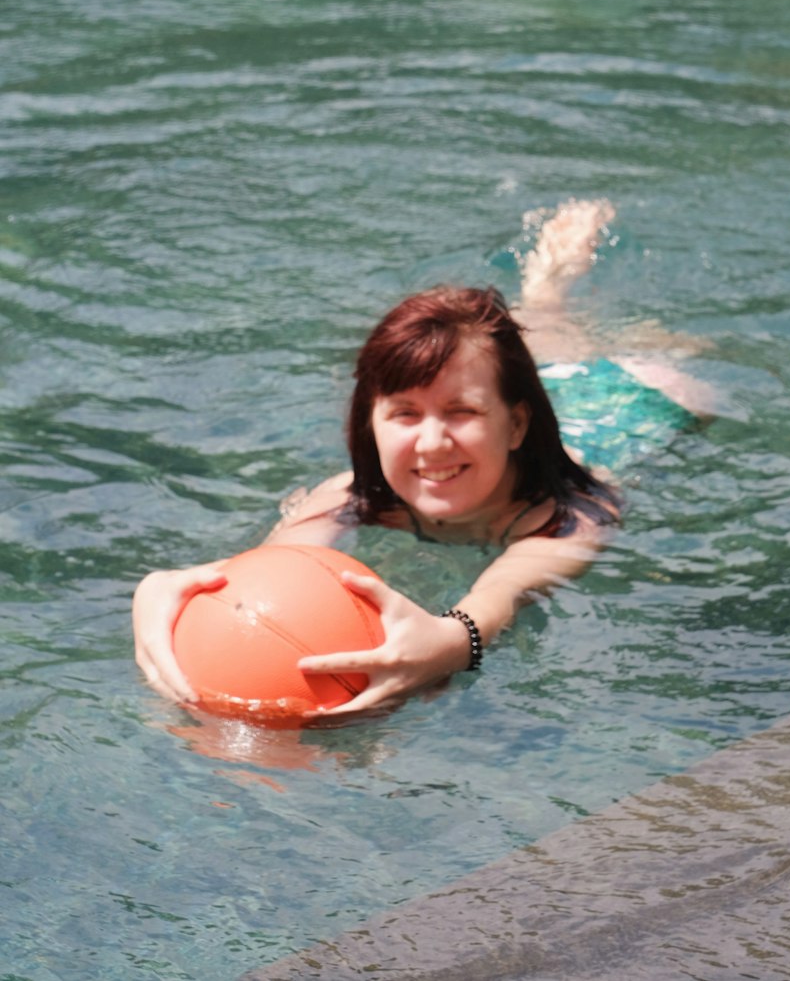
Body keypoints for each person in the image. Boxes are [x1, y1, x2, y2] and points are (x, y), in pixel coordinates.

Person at [132, 199, 711, 721]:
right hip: (520, 391)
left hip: (626, 402)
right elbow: (265, 571)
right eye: (404, 414)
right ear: (371, 424)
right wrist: (166, 591)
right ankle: (544, 299)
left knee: (656, 368)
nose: (431, 443)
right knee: (528, 344)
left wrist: (451, 643)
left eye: (460, 413)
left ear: (515, 426)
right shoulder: (351, 496)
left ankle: (551, 295)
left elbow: (498, 598)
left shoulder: (571, 516)